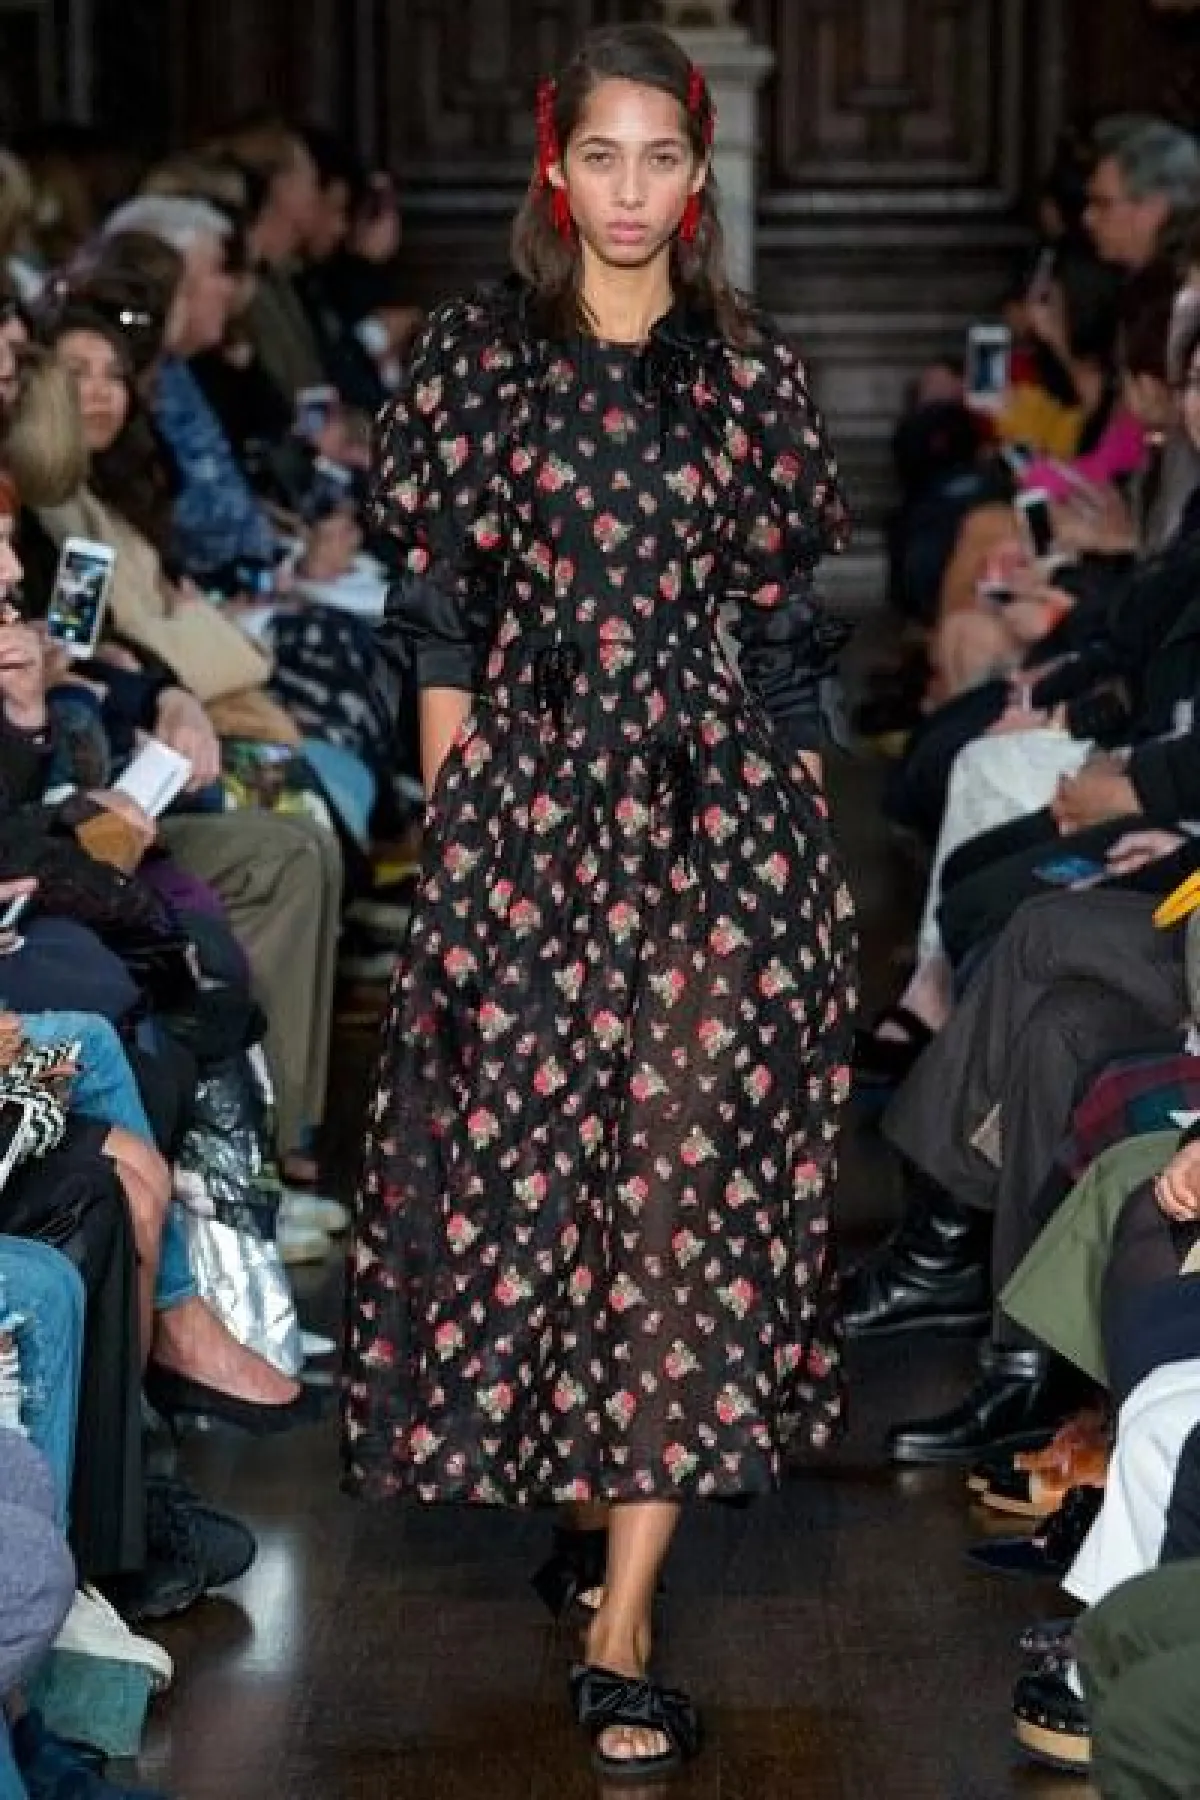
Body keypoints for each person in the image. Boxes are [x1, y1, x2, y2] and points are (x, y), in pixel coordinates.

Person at [342, 21, 857, 1782]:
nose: (631, 192)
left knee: (683, 1183)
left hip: (718, 827)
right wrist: (463, 824)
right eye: (602, 157)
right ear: (553, 169)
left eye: (662, 159)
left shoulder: (751, 372)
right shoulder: (478, 360)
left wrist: (803, 860)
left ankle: (624, 1622)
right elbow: (440, 617)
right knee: (550, 1177)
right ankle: (586, 1493)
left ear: (698, 176)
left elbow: (783, 636)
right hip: (531, 814)